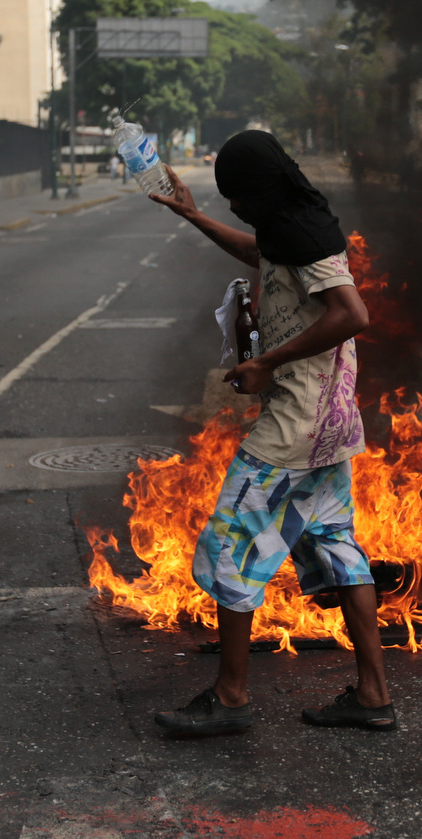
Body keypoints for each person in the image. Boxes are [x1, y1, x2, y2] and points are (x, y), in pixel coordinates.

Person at [144, 130, 393, 736]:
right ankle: (373, 696)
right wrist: (195, 215)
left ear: (261, 188)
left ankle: (231, 698)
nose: (234, 205)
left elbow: (352, 313)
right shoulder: (291, 224)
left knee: (226, 550)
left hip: (294, 429)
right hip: (328, 430)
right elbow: (263, 256)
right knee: (337, 549)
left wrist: (267, 363)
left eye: (236, 195)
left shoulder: (307, 237)